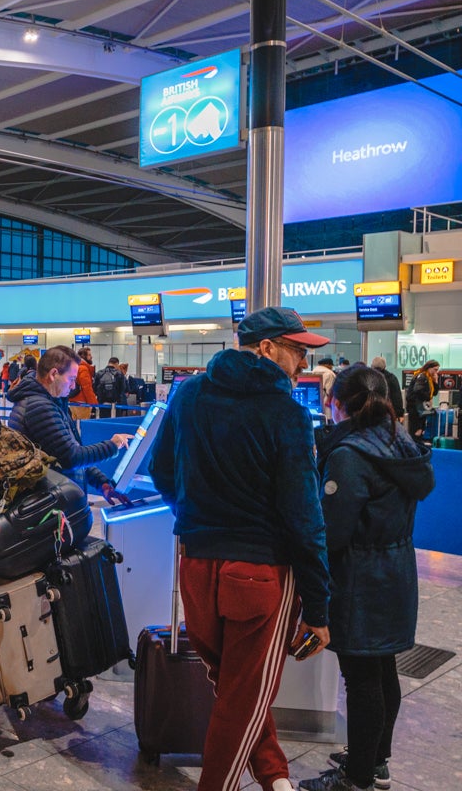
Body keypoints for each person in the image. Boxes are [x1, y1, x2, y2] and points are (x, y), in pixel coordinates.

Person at [149, 307, 332, 791]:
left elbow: (160, 470)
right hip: (260, 574)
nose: (302, 365)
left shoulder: (188, 393)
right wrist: (318, 606)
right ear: (267, 349)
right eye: (297, 351)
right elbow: (304, 516)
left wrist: (196, 517)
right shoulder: (287, 411)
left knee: (235, 690)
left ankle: (274, 776)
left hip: (196, 565)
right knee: (243, 701)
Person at [297, 366, 434, 791]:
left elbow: (334, 531)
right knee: (382, 669)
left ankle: (355, 779)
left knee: (360, 680)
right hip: (396, 573)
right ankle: (375, 760)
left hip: (360, 577)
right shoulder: (401, 441)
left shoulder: (349, 455)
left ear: (340, 405)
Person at [8, 345, 131, 503]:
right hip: (48, 506)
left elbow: (67, 451)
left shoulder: (51, 402)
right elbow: (71, 457)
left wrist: (102, 483)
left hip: (55, 500)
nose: (73, 386)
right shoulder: (39, 407)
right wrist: (112, 445)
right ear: (53, 374)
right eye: (72, 379)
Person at [404, 359, 440, 443]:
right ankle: (415, 446)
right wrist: (428, 398)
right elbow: (417, 390)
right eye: (435, 369)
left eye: (437, 370)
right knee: (417, 429)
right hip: (415, 408)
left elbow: (434, 393)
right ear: (429, 368)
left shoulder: (429, 378)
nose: (436, 372)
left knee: (421, 429)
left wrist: (435, 381)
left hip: (421, 408)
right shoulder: (422, 376)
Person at [370, 356, 405, 424]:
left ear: (372, 366)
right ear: (385, 366)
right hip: (387, 412)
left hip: (372, 412)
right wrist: (399, 413)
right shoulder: (391, 378)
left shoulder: (369, 377)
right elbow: (397, 397)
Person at [70, 346, 98, 420]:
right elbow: (87, 387)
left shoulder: (75, 366)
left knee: (76, 425)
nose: (91, 357)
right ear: (84, 356)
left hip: (73, 401)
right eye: (89, 355)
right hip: (82, 402)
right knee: (83, 425)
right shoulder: (83, 368)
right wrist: (93, 403)